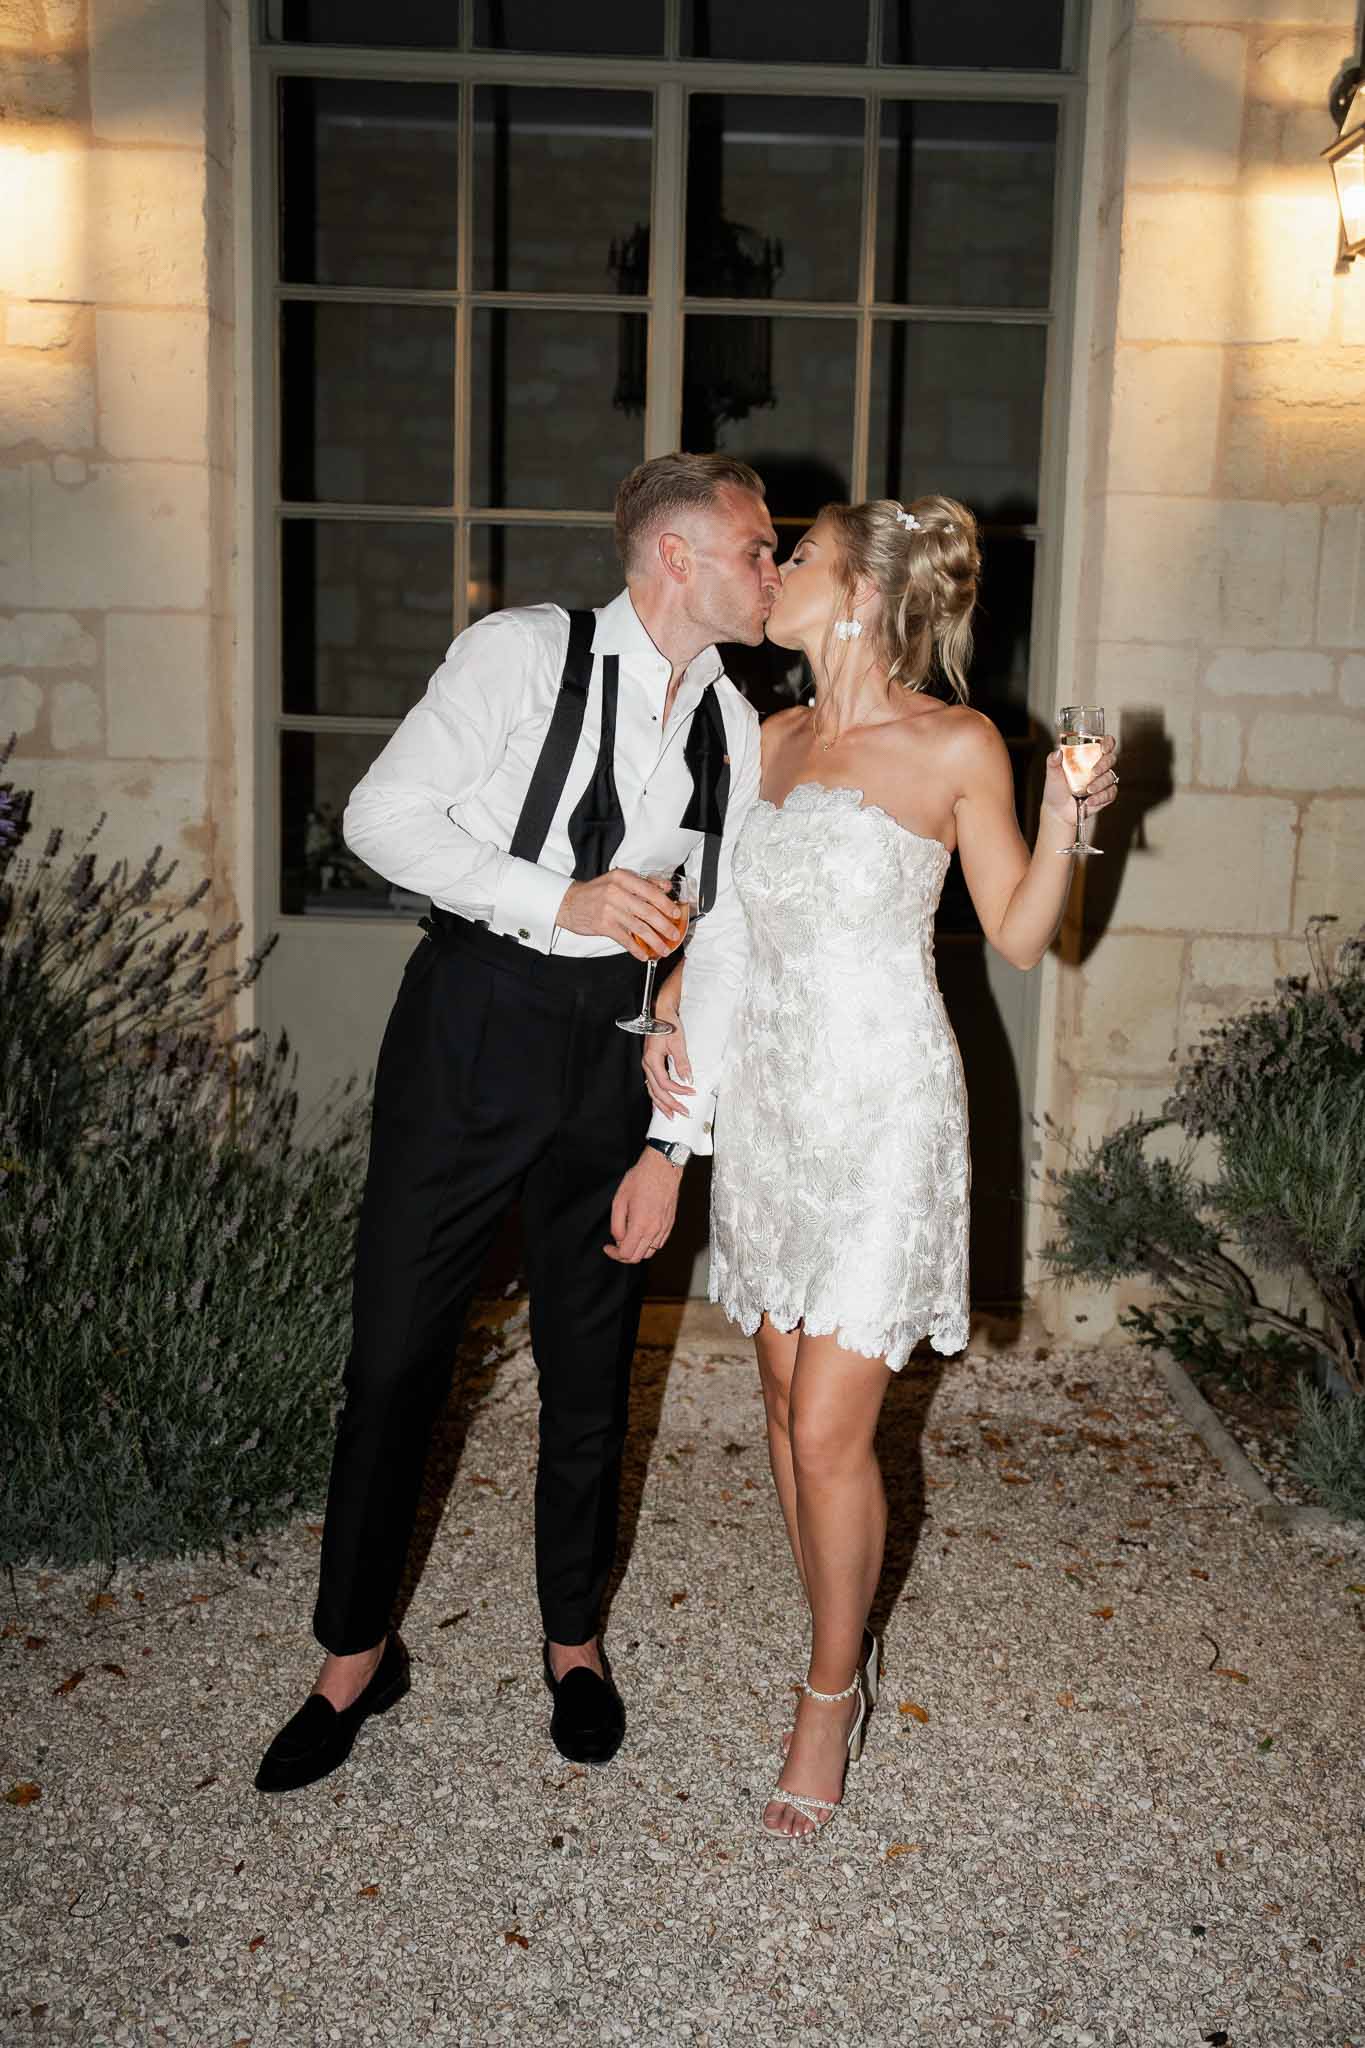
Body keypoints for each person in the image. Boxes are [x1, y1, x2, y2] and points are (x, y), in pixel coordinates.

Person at [255, 453, 778, 1793]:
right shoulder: (521, 654)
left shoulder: (735, 723)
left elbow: (711, 937)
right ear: (676, 555)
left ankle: (574, 1643)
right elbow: (380, 818)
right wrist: (560, 901)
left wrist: (675, 1118)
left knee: (591, 1369)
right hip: (472, 1027)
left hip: (615, 1056)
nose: (773, 572)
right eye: (757, 548)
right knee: (392, 1360)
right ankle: (354, 1656)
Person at [643, 495, 1118, 1838]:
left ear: (853, 594)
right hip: (777, 1115)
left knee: (825, 1427)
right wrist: (672, 1009)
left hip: (882, 1112)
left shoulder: (953, 742)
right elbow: (732, 920)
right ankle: (834, 1624)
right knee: (783, 1404)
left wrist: (1067, 811)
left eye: (794, 558)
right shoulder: (773, 736)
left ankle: (825, 1693)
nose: (772, 572)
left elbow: (1021, 939)